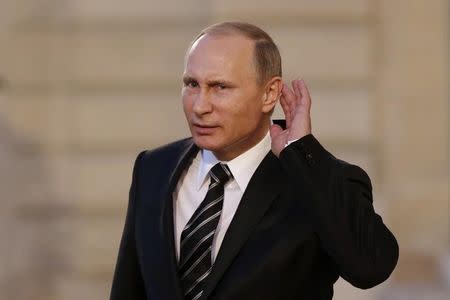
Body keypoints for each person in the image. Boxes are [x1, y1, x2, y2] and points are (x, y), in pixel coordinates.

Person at [110, 22, 398, 300]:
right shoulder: (154, 168)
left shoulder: (318, 179)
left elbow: (370, 267)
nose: (200, 106)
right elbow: (128, 289)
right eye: (191, 84)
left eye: (220, 87)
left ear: (269, 93)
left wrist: (303, 151)